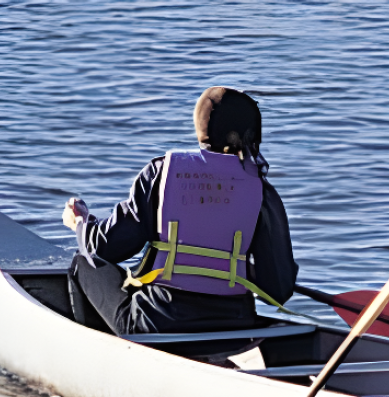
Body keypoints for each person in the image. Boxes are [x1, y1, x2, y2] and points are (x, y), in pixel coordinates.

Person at [60, 86, 297, 336]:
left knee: (83, 262)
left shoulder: (160, 174)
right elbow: (278, 290)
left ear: (200, 129)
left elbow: (105, 248)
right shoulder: (262, 192)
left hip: (156, 325)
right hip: (235, 328)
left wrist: (81, 223)